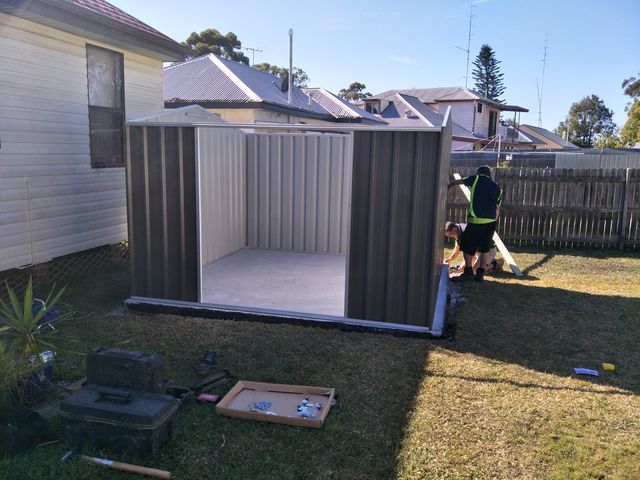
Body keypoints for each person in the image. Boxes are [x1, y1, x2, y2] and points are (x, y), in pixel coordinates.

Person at [447, 165, 503, 282]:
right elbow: (497, 209)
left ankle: (468, 271)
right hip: (491, 222)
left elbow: (459, 181)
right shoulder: (497, 188)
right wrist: (493, 221)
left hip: (476, 220)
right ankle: (480, 274)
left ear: (479, 173)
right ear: (489, 175)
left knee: (467, 244)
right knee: (485, 247)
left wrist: (448, 187)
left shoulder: (477, 178)